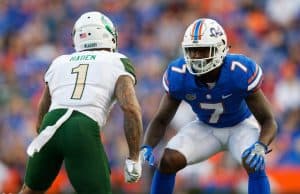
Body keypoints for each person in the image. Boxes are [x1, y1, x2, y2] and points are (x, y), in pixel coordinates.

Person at [141, 18, 277, 194]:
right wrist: (147, 146)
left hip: (240, 126)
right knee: (168, 159)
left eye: (203, 50)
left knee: (254, 162)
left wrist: (261, 146)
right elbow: (161, 119)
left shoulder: (239, 71)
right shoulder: (179, 74)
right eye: (192, 51)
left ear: (220, 48)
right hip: (205, 127)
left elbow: (269, 121)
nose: (196, 56)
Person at [20, 11, 143, 194]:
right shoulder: (117, 61)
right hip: (82, 127)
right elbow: (130, 109)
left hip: (50, 125)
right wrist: (134, 157)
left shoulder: (60, 62)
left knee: (29, 190)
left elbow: (43, 108)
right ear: (108, 35)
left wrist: (54, 144)